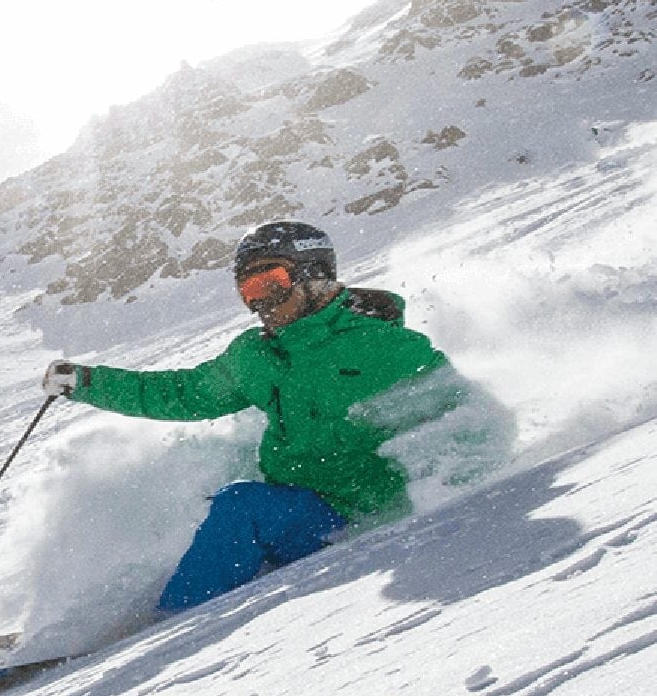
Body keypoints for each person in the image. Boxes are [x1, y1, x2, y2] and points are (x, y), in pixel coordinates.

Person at [42, 221, 483, 615]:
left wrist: (446, 511)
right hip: (298, 511)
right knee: (234, 505)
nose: (261, 304)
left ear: (314, 273)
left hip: (362, 519)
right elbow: (183, 393)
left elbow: (465, 418)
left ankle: (176, 623)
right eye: (249, 292)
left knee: (242, 506)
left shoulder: (386, 349)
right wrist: (87, 382)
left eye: (271, 283)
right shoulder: (256, 356)